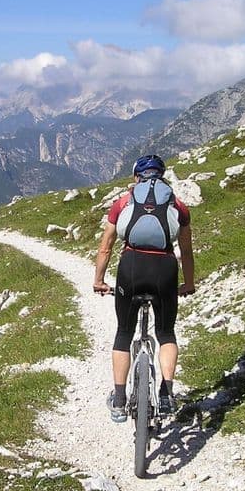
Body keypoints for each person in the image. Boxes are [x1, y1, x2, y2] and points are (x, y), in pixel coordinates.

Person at [93, 154, 195, 423]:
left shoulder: (123, 202)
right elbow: (186, 250)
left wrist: (99, 280)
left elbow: (106, 246)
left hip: (131, 268)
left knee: (124, 332)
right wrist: (189, 283)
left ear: (137, 177)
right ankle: (166, 393)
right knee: (166, 332)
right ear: (162, 177)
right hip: (165, 270)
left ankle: (118, 399)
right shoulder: (178, 205)